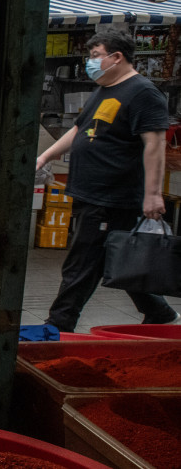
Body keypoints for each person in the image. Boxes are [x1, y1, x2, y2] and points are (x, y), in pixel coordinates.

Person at [36, 29, 179, 332]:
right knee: (118, 257)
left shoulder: (143, 93)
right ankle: (160, 314)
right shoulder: (105, 90)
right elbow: (79, 131)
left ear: (117, 57)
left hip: (113, 196)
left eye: (95, 56)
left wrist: (153, 195)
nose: (90, 62)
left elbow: (154, 145)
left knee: (83, 264)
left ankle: (58, 325)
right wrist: (44, 157)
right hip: (91, 193)